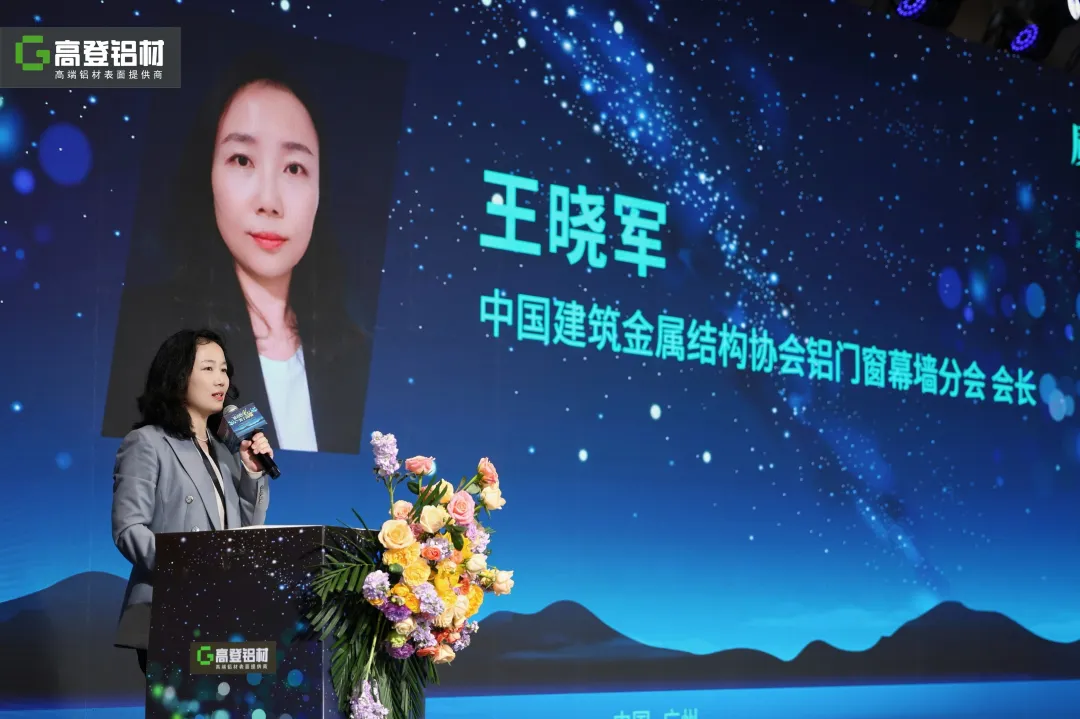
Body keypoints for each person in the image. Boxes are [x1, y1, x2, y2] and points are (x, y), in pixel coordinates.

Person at [102, 52, 370, 454]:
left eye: (294, 168)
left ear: (320, 192)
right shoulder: (148, 332)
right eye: (242, 160)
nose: (269, 202)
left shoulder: (354, 352)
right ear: (207, 174)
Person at [111, 329, 273, 675]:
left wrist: (252, 471)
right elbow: (129, 529)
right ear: (178, 375)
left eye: (224, 370)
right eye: (208, 368)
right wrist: (189, 570)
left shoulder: (225, 452)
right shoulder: (147, 442)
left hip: (223, 611)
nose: (221, 379)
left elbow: (246, 529)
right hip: (169, 608)